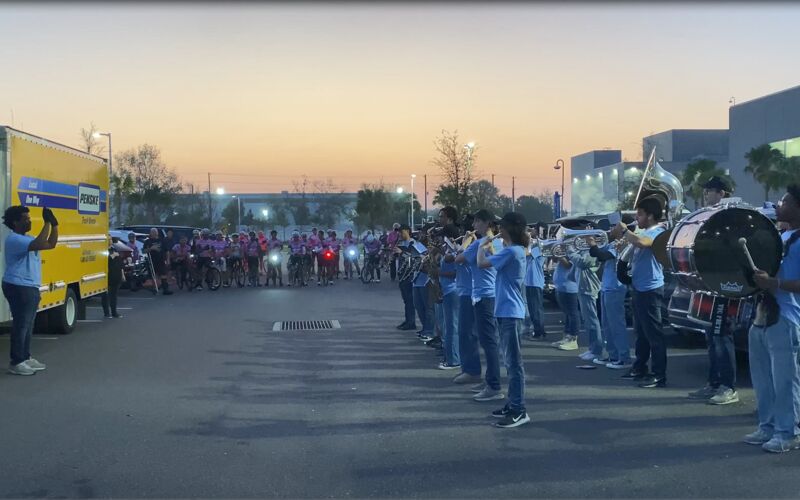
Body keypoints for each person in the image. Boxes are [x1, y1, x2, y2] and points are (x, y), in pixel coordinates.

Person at [744, 185, 800, 453]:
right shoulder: (780, 236)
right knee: (763, 378)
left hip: (786, 317)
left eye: (786, 201)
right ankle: (767, 426)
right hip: (762, 315)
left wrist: (774, 282)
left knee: (785, 380)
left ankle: (788, 432)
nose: (780, 204)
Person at [687, 176, 740, 405]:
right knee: (710, 336)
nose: (705, 195)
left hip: (725, 286)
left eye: (710, 191)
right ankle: (714, 383)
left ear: (722, 194)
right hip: (709, 285)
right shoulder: (708, 219)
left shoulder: (732, 218)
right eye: (706, 191)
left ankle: (729, 386)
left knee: (722, 337)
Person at [478, 212, 530, 428]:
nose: (499, 229)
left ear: (509, 229)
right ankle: (512, 403)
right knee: (509, 361)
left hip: (510, 312)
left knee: (514, 363)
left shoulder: (512, 251)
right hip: (506, 311)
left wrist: (482, 244)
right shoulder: (513, 251)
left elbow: (481, 263)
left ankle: (519, 410)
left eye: (502, 227)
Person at [614, 198, 667, 388]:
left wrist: (626, 232)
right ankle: (640, 367)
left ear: (650, 215)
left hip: (650, 288)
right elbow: (634, 246)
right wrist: (623, 244)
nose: (637, 218)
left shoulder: (658, 232)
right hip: (638, 286)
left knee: (654, 334)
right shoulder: (643, 231)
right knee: (641, 333)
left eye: (640, 214)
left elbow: (644, 243)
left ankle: (659, 374)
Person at [2, 206, 58, 375]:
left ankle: (25, 357)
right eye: (25, 219)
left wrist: (54, 226)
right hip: (18, 286)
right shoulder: (14, 239)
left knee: (28, 324)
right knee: (21, 325)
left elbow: (50, 244)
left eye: (29, 218)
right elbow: (40, 243)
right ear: (15, 222)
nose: (29, 221)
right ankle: (17, 361)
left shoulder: (27, 238)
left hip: (29, 286)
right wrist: (47, 222)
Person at [456, 209, 505, 402]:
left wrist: (465, 243)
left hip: (484, 296)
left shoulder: (481, 243)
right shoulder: (499, 243)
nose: (474, 226)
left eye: (477, 222)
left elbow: (459, 259)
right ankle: (489, 380)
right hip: (487, 295)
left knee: (489, 342)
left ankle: (493, 386)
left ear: (486, 223)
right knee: (488, 341)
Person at [588, 237, 631, 369]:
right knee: (606, 324)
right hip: (606, 286)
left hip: (615, 287)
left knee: (616, 324)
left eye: (614, 226)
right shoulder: (612, 242)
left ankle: (623, 357)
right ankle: (613, 355)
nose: (611, 229)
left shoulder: (624, 242)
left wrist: (592, 244)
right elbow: (595, 255)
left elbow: (603, 255)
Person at [566, 229, 602, 362]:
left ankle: (596, 350)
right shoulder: (584, 249)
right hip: (583, 286)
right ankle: (592, 348)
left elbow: (583, 263)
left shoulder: (593, 250)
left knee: (592, 321)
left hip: (589, 287)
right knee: (588, 321)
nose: (584, 238)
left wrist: (570, 251)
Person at [437, 224, 461, 370]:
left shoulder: (455, 250)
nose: (440, 239)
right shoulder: (447, 250)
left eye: (442, 236)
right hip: (446, 289)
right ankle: (450, 355)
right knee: (447, 325)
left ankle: (454, 359)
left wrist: (438, 273)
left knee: (452, 326)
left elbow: (456, 272)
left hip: (453, 290)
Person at [551, 248, 580, 351]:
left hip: (570, 287)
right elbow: (554, 260)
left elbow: (569, 265)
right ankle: (567, 337)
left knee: (573, 313)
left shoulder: (575, 248)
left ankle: (573, 339)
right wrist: (554, 253)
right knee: (567, 313)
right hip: (561, 286)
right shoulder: (566, 248)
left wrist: (560, 255)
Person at [523, 228, 547, 341]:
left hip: (535, 281)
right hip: (530, 281)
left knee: (536, 308)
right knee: (533, 309)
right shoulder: (534, 247)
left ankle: (539, 332)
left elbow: (526, 253)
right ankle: (539, 331)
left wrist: (528, 239)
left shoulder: (539, 248)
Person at [394, 224, 417, 331]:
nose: (399, 234)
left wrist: (401, 252)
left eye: (401, 232)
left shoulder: (413, 243)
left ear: (407, 231)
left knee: (410, 300)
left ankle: (411, 322)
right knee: (406, 300)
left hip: (409, 275)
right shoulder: (401, 243)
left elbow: (413, 258)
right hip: (402, 274)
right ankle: (408, 320)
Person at [102, 239, 127, 318]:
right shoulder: (102, 250)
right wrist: (112, 256)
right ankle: (106, 313)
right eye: (108, 239)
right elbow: (104, 260)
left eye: (110, 239)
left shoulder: (114, 249)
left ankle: (114, 312)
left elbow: (120, 263)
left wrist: (122, 274)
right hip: (107, 275)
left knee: (114, 295)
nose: (110, 240)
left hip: (116, 275)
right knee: (105, 295)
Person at [143, 228, 173, 295]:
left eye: (155, 232)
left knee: (163, 274)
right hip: (152, 261)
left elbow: (167, 251)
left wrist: (168, 259)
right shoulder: (147, 241)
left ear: (157, 233)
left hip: (161, 260)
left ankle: (165, 289)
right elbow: (144, 251)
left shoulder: (162, 241)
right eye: (152, 232)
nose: (154, 233)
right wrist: (151, 248)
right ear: (150, 233)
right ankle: (155, 288)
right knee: (154, 275)